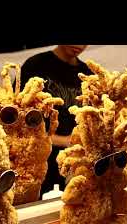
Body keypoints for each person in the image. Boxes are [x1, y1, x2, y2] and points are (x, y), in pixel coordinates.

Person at [18, 45, 92, 195]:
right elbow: (15, 119)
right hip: (38, 165)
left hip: (76, 166)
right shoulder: (35, 66)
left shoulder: (87, 74)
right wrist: (62, 140)